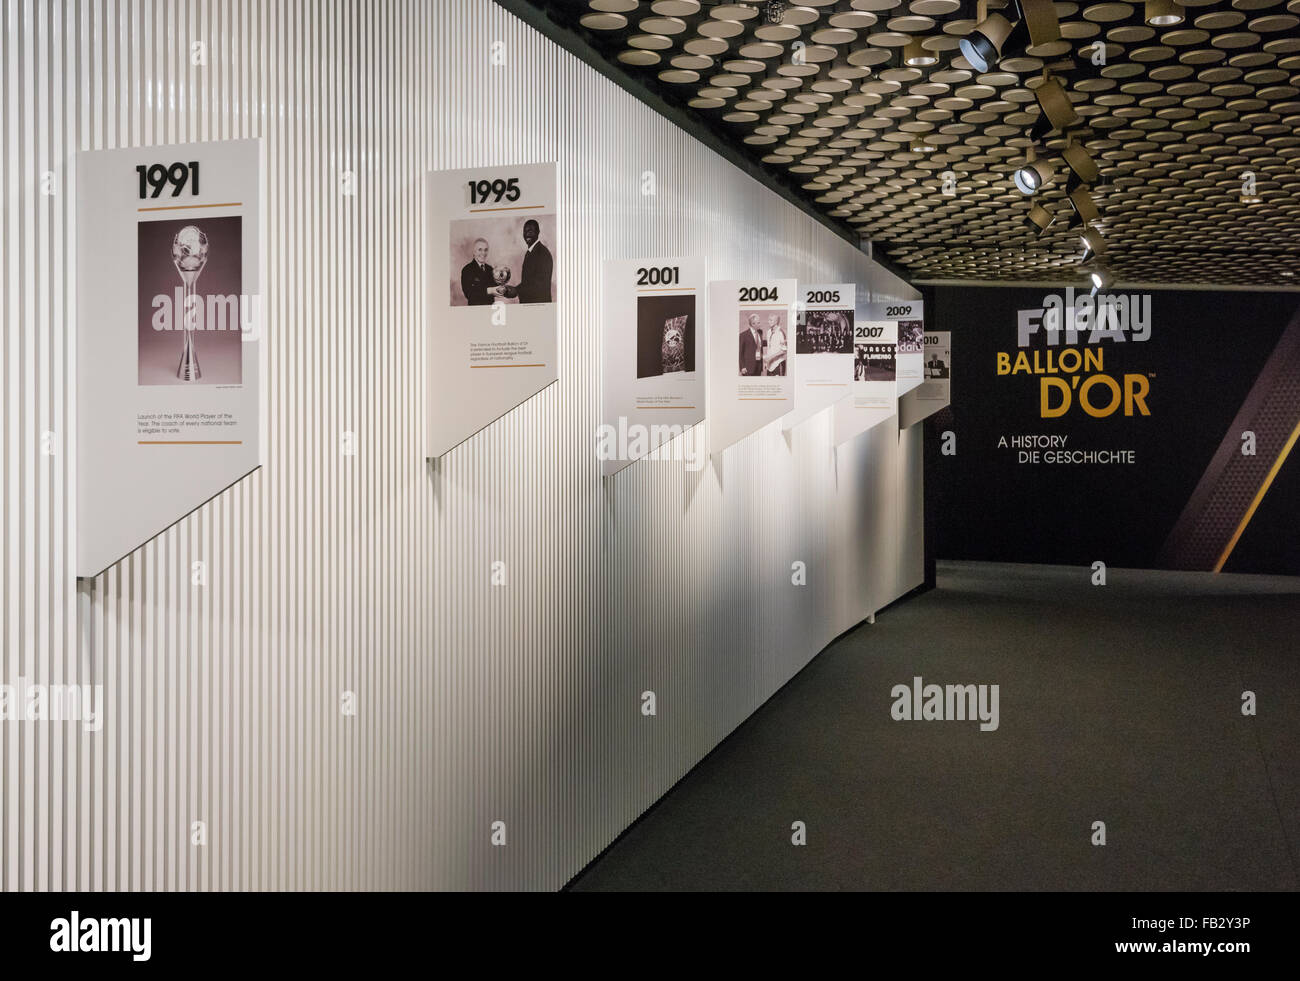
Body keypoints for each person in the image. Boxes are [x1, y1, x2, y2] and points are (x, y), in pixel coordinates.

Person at [507, 219, 553, 304]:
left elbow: (539, 284)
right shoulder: (531, 252)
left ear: (538, 232)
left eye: (531, 230)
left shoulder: (542, 253)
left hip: (539, 306)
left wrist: (516, 290)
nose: (527, 233)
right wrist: (513, 290)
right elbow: (528, 282)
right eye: (525, 231)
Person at [459, 238, 496, 306]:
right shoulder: (467, 270)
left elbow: (495, 289)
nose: (483, 253)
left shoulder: (490, 269)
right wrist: (489, 290)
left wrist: (503, 288)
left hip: (490, 309)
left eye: (486, 250)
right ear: (474, 252)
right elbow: (469, 294)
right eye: (480, 250)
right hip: (475, 310)